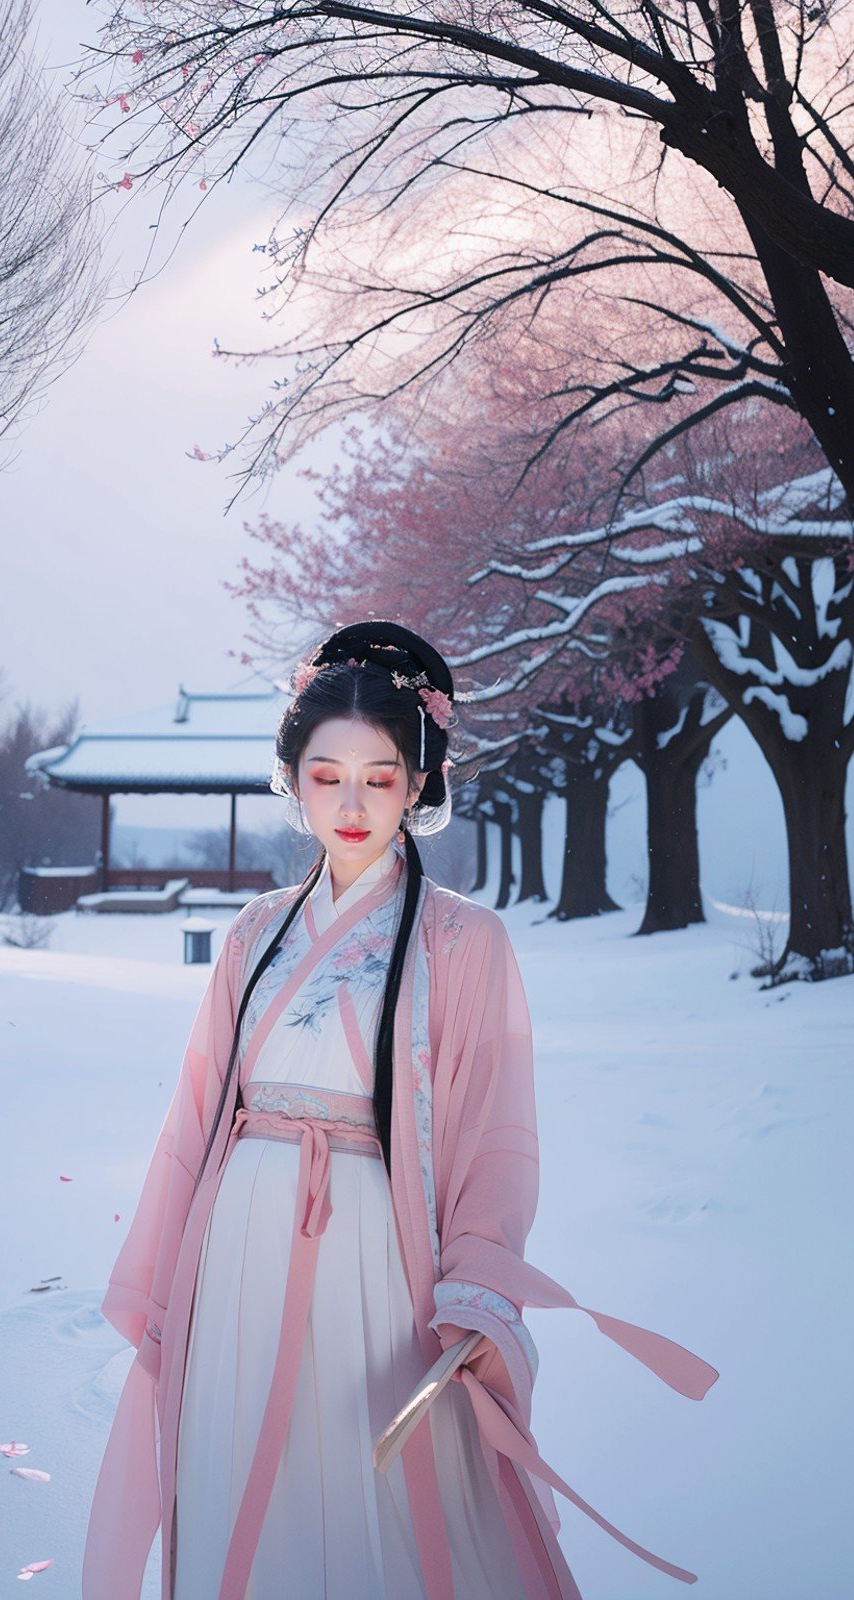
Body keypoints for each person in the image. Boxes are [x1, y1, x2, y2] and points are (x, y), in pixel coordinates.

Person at [80, 621, 717, 1600]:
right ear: (293, 777)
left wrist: (474, 1282)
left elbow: (493, 1141)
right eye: (326, 773)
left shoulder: (466, 942)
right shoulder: (254, 935)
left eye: (379, 777)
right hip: (238, 1249)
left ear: (417, 784)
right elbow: (194, 1120)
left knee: (389, 1498)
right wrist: (168, 1283)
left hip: (379, 1263)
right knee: (243, 1473)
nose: (350, 801)